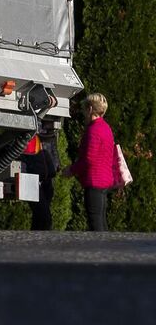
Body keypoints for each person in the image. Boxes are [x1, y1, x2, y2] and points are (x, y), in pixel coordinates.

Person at [64, 91, 120, 232]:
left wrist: (71, 170)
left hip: (95, 181)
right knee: (101, 221)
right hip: (104, 180)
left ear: (90, 109)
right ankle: (108, 251)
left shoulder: (93, 130)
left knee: (95, 223)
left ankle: (101, 252)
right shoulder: (105, 128)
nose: (83, 113)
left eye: (84, 109)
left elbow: (88, 159)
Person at [23, 117, 61, 230]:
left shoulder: (48, 125)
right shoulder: (33, 121)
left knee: (41, 218)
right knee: (44, 218)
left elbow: (52, 143)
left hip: (46, 174)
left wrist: (56, 163)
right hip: (32, 172)